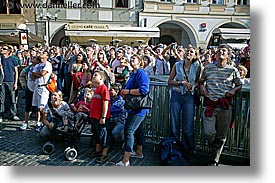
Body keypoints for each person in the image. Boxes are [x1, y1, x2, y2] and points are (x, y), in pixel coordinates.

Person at [199, 45, 242, 166]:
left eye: (224, 51)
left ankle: (214, 160)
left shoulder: (233, 70)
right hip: (210, 104)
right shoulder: (208, 68)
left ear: (228, 55)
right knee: (209, 132)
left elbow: (239, 85)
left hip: (225, 105)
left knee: (222, 135)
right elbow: (201, 81)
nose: (221, 52)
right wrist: (202, 87)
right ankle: (214, 149)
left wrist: (234, 90)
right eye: (219, 51)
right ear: (216, 55)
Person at [115, 54, 150, 166]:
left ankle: (126, 160)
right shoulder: (133, 74)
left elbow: (144, 89)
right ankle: (139, 152)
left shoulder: (141, 73)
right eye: (130, 59)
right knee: (138, 130)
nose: (131, 60)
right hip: (133, 107)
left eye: (134, 59)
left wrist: (128, 92)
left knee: (129, 131)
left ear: (140, 62)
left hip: (139, 109)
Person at [167, 45, 201, 159]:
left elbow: (197, 81)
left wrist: (194, 86)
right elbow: (170, 81)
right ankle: (174, 148)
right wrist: (181, 83)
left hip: (189, 96)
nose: (189, 53)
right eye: (187, 51)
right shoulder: (177, 65)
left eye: (191, 52)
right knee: (174, 122)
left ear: (195, 55)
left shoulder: (197, 66)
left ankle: (189, 149)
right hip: (176, 95)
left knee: (188, 125)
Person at [88, 70, 111, 164]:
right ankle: (98, 150)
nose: (93, 77)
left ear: (101, 78)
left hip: (100, 117)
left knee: (104, 135)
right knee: (96, 134)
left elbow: (105, 103)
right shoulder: (97, 89)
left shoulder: (104, 89)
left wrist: (103, 117)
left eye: (95, 75)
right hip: (94, 116)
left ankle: (104, 154)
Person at [31, 50, 52, 132]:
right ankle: (38, 122)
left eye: (43, 53)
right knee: (36, 107)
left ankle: (44, 122)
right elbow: (32, 75)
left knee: (42, 107)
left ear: (47, 56)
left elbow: (42, 74)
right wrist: (38, 74)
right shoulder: (37, 65)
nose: (41, 54)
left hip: (44, 87)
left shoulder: (48, 64)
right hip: (36, 86)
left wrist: (38, 74)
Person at [19, 56, 41, 130]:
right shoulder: (29, 68)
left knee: (38, 107)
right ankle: (25, 122)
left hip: (38, 88)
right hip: (29, 88)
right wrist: (24, 84)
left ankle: (38, 122)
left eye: (35, 58)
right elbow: (22, 75)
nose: (32, 59)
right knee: (27, 105)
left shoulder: (41, 68)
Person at [0, 45, 20, 121]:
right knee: (2, 99)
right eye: (1, 48)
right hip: (2, 81)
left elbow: (16, 72)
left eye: (4, 49)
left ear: (8, 51)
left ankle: (13, 114)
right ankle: (2, 114)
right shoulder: (0, 59)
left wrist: (15, 83)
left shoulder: (12, 59)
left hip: (10, 81)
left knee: (12, 99)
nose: (2, 50)